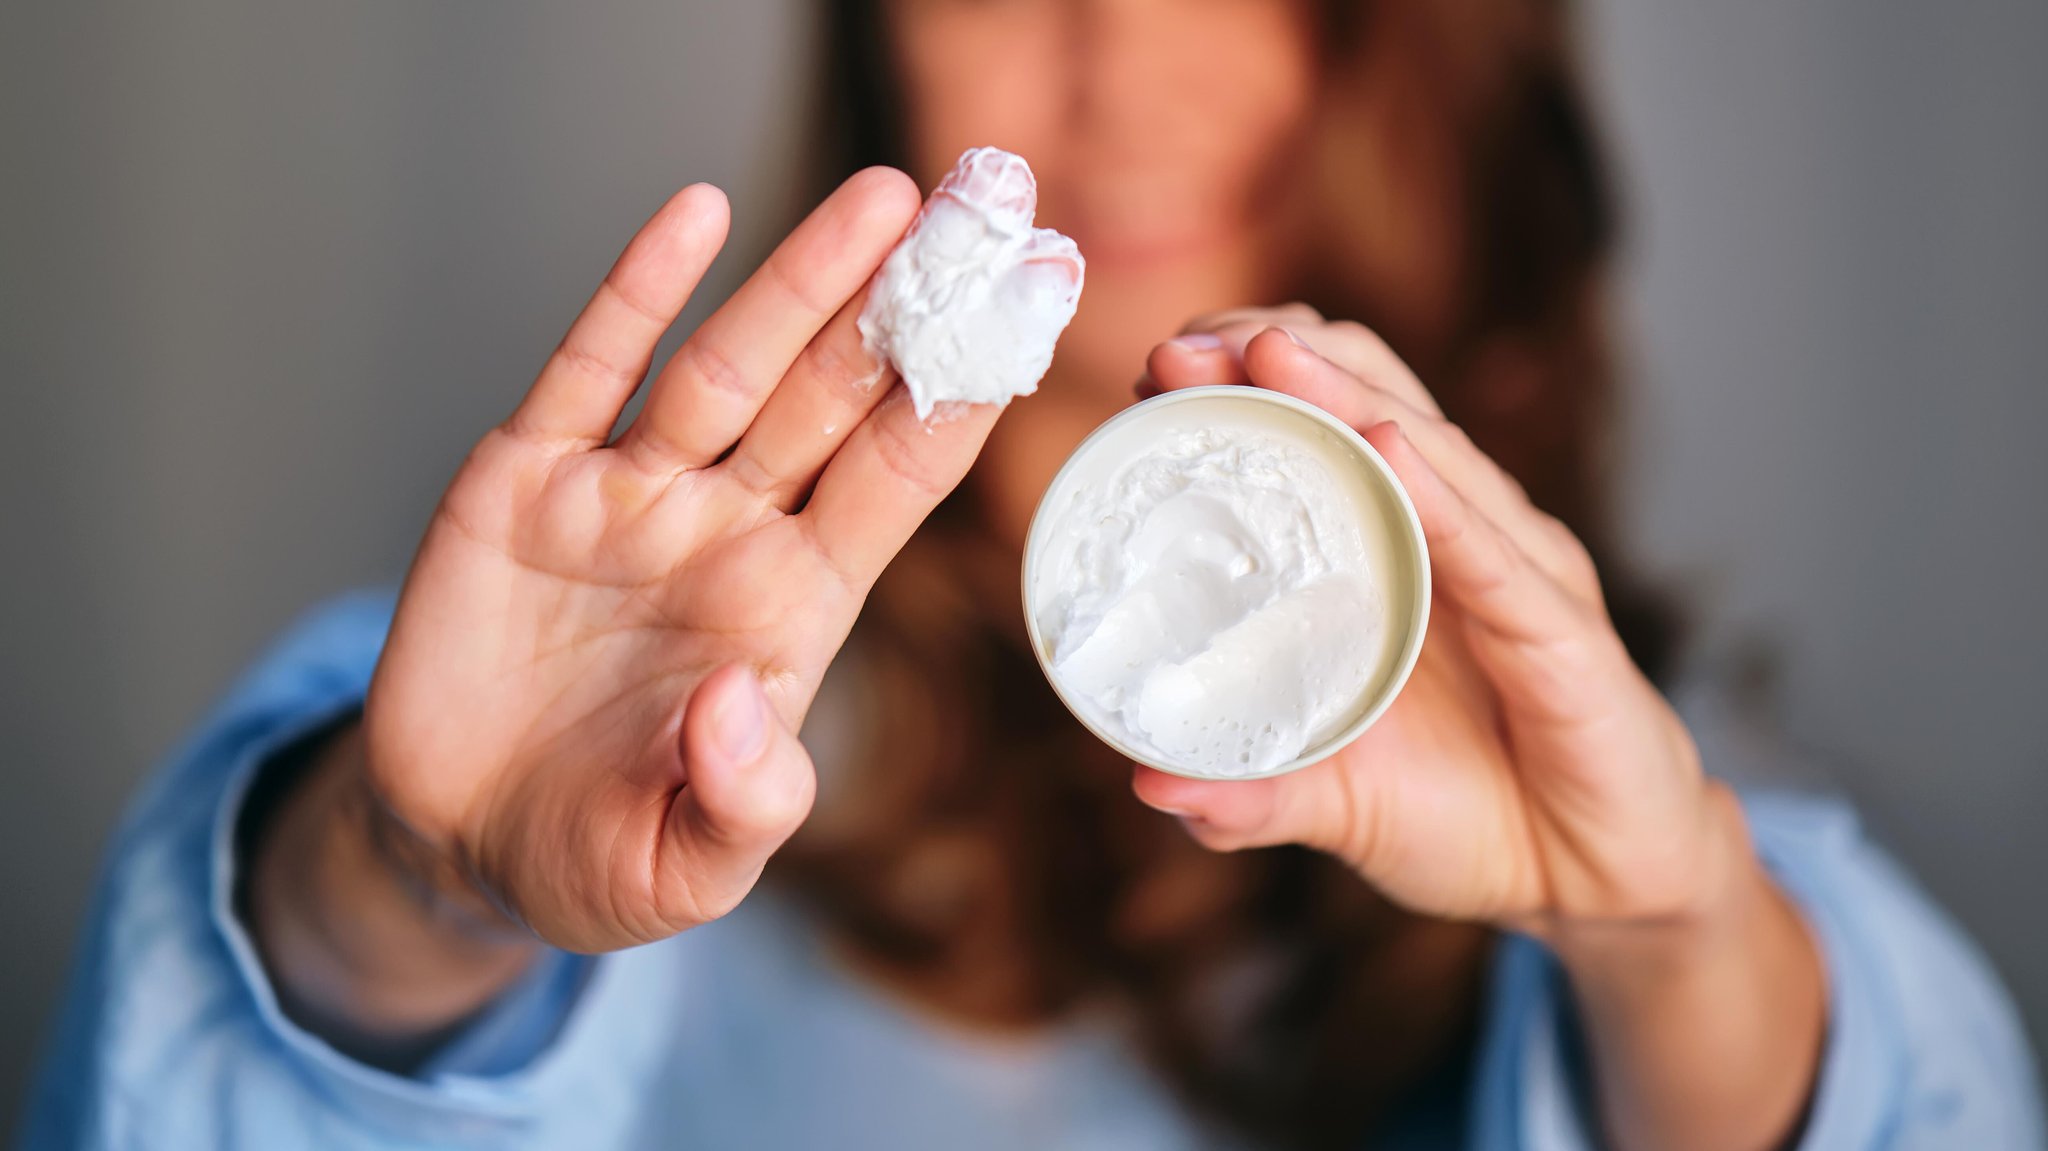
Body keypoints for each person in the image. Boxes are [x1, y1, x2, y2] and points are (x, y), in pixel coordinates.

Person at [21, 2, 2043, 1149]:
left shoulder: (1655, 789)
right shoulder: (598, 679)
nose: (1118, 64)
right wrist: (409, 883)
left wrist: (1671, 932)